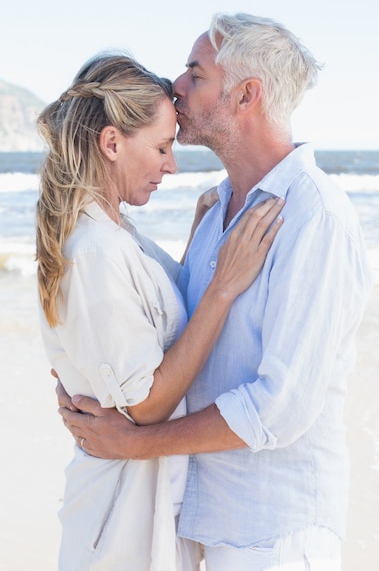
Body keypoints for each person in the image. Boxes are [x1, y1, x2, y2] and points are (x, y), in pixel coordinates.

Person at [59, 13, 373, 571]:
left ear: (247, 95)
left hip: (273, 532)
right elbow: (174, 331)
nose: (175, 87)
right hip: (198, 526)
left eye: (195, 74)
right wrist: (93, 382)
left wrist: (131, 443)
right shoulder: (216, 212)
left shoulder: (313, 215)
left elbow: (280, 408)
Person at [36, 52, 284, 571]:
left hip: (145, 504)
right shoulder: (95, 248)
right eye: (161, 147)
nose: (171, 165)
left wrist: (200, 241)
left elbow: (159, 322)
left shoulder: (117, 232)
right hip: (119, 524)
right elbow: (145, 404)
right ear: (111, 143)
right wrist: (223, 287)